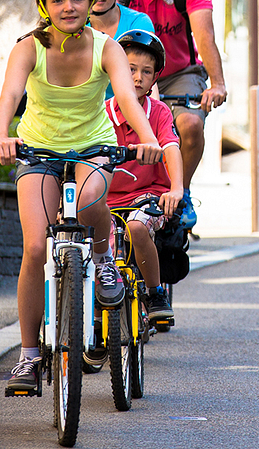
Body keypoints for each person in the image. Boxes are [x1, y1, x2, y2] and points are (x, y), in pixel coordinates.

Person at [0, 0, 163, 397]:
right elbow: (9, 95)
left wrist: (148, 139)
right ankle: (29, 355)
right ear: (44, 5)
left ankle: (104, 261)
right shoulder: (28, 47)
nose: (69, 6)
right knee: (34, 246)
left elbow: (125, 96)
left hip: (92, 147)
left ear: (91, 2)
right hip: (37, 151)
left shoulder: (108, 47)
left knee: (89, 204)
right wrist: (0, 133)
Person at [119, 0, 228, 230]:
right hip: (130, 73)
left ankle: (180, 192)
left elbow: (204, 35)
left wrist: (218, 83)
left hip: (179, 74)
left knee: (191, 125)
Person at [104, 28, 183, 324]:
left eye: (146, 72)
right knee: (100, 245)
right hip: (105, 199)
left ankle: (154, 291)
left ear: (154, 78)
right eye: (130, 69)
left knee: (138, 227)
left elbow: (172, 148)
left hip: (146, 195)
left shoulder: (159, 112)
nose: (137, 77)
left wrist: (176, 188)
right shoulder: (101, 113)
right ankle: (97, 319)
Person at [79, 0, 154, 98]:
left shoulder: (138, 24)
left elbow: (147, 81)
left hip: (125, 110)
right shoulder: (71, 24)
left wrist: (149, 119)